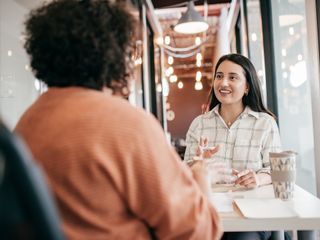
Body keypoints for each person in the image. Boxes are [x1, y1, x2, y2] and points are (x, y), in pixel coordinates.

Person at [14, 1, 222, 239]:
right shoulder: (126, 125)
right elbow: (198, 232)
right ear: (113, 53)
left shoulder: (27, 123)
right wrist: (201, 176)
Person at [184, 53, 282, 240]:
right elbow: (185, 175)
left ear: (247, 87)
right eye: (219, 76)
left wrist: (258, 178)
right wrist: (198, 166)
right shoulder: (199, 124)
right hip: (210, 212)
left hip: (252, 215)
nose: (223, 83)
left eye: (232, 77)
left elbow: (275, 170)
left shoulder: (265, 123)